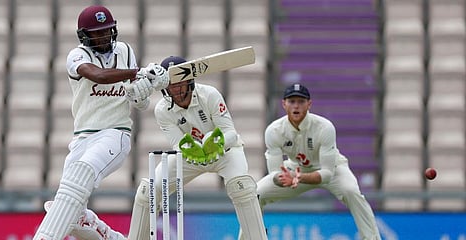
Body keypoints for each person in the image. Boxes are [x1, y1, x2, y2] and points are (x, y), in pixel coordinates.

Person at [33, 5, 169, 240]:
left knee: (83, 171)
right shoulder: (76, 56)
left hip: (115, 133)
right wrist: (137, 73)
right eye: (97, 32)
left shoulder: (125, 50)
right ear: (84, 35)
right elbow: (98, 76)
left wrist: (144, 89)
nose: (103, 36)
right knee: (69, 210)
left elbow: (139, 102)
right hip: (83, 137)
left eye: (107, 30)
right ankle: (102, 231)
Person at [126, 56, 267, 240]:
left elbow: (231, 133)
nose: (175, 89)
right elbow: (178, 144)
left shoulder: (210, 95)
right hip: (191, 156)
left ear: (190, 80)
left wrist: (217, 142)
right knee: (148, 190)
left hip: (224, 152)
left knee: (242, 187)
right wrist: (190, 149)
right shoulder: (162, 110)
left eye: (180, 83)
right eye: (171, 84)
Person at [250, 83, 381, 239]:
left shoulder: (324, 127)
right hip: (295, 169)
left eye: (301, 101)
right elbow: (275, 174)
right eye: (292, 101)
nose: (296, 106)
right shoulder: (274, 131)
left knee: (351, 192)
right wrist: (283, 178)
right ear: (284, 104)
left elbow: (326, 174)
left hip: (332, 168)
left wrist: (299, 178)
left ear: (309, 104)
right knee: (254, 195)